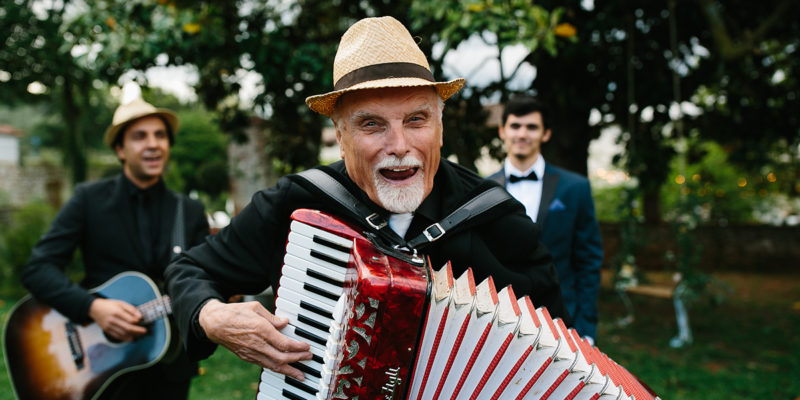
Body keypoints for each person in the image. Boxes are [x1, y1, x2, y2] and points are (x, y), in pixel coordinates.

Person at [164, 16, 569, 384]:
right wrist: (210, 315)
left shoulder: (496, 218)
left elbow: (555, 353)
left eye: (416, 119)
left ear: (440, 128)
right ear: (340, 138)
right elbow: (189, 269)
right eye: (372, 124)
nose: (399, 145)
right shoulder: (298, 204)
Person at [21, 97, 209, 399]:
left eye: (160, 135)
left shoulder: (188, 210)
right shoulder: (88, 199)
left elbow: (205, 277)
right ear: (120, 149)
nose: (153, 144)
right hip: (101, 364)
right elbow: (38, 269)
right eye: (140, 136)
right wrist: (91, 307)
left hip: (170, 366)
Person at [488, 95, 603, 342]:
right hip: (501, 322)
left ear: (546, 134)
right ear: (502, 131)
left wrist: (586, 327)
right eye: (515, 126)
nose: (522, 134)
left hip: (564, 320)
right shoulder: (484, 191)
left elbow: (589, 262)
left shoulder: (576, 188)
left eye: (532, 127)